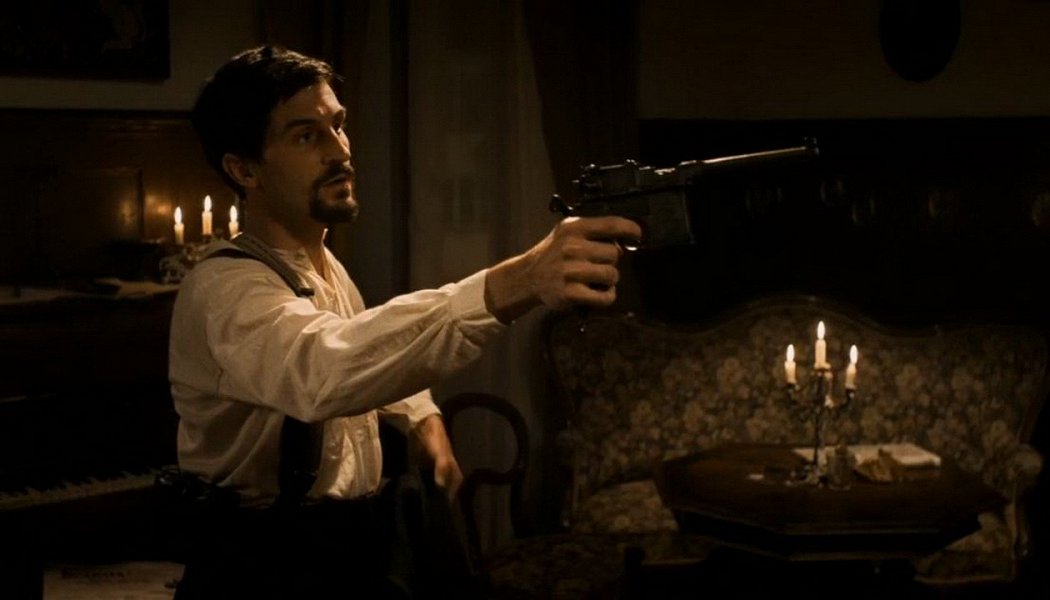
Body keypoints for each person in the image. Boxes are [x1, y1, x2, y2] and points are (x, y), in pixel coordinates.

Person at [168, 45, 641, 599]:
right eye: (306, 136)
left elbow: (366, 342)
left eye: (338, 126)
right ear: (243, 169)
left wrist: (422, 418)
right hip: (262, 568)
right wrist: (521, 280)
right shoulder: (226, 288)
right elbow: (324, 368)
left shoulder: (322, 268)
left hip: (343, 551)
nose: (339, 151)